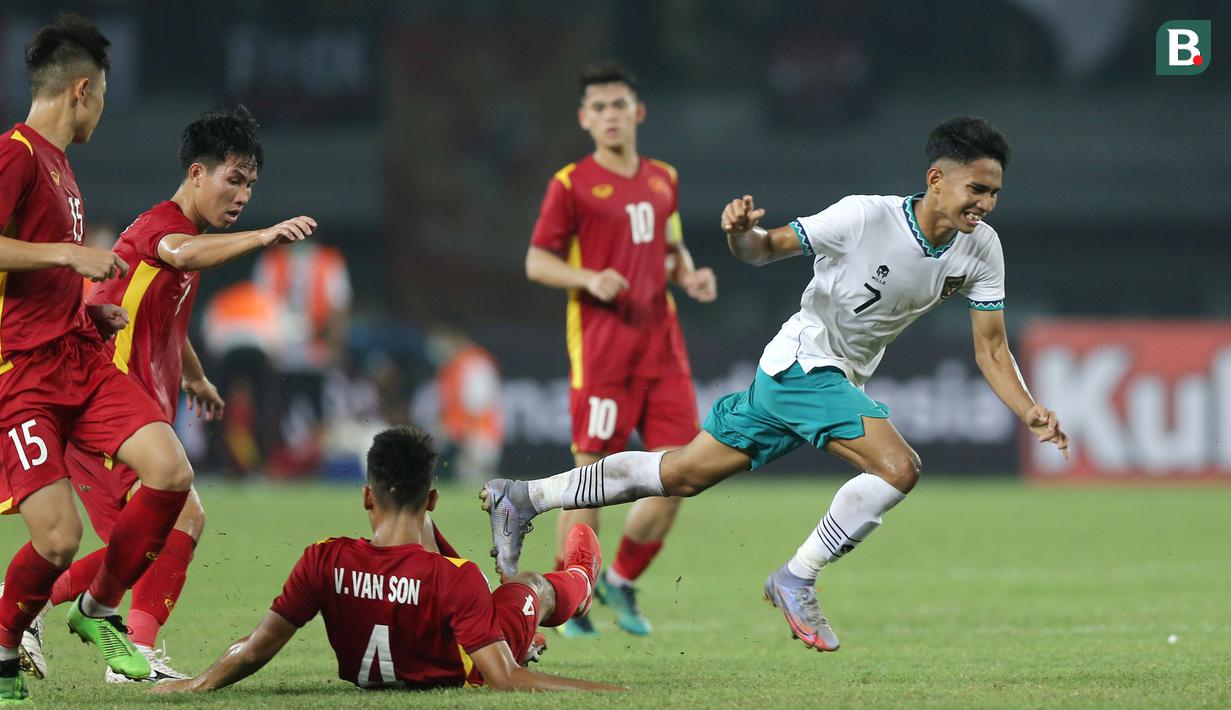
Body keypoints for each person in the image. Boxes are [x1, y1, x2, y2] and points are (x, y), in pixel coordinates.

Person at [484, 116, 1071, 652]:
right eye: (977, 189)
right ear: (936, 179)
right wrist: (741, 233)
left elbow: (991, 346)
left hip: (814, 380)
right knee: (898, 467)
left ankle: (523, 497)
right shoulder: (864, 217)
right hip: (803, 365)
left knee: (679, 474)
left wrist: (1029, 410)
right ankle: (797, 576)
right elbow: (763, 250)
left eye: (994, 192)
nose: (986, 204)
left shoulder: (982, 249)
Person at [22, 106, 318, 684]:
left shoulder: (183, 236)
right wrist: (264, 235)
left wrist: (195, 376)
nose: (242, 196)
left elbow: (163, 315)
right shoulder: (163, 229)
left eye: (251, 186)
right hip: (100, 414)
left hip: (134, 414)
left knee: (155, 535)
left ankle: (34, 610)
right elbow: (178, 255)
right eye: (233, 180)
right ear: (196, 174)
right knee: (177, 520)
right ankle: (126, 650)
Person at [0, 13, 196, 700]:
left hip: (77, 358)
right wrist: (68, 255)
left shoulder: (63, 171)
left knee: (170, 472)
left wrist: (86, 307)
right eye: (104, 97)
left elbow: (33, 287)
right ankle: (1, 651)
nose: (104, 111)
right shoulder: (17, 153)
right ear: (82, 90)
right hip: (21, 376)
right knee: (58, 541)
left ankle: (98, 610)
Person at [153, 426, 620, 694]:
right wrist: (609, 693)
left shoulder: (322, 560)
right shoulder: (456, 579)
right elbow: (505, 678)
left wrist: (192, 685)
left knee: (459, 583)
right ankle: (579, 579)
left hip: (409, 629)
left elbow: (253, 649)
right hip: (472, 664)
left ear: (365, 496)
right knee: (531, 588)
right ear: (433, 499)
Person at [523, 61, 717, 637]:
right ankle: (568, 596)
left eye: (619, 105)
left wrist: (689, 275)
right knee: (591, 478)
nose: (611, 115)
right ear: (585, 119)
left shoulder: (664, 177)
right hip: (603, 349)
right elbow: (537, 261)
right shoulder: (570, 184)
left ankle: (622, 580)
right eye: (599, 107)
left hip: (663, 345)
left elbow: (670, 247)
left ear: (638, 112)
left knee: (684, 469)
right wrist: (587, 278)